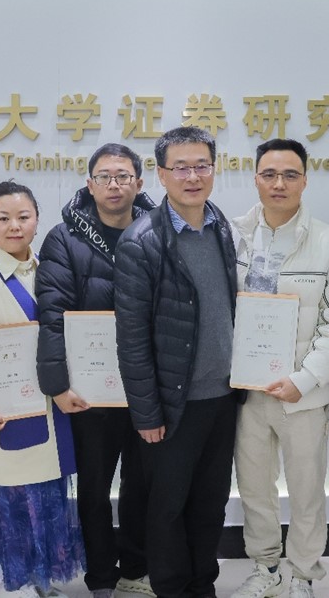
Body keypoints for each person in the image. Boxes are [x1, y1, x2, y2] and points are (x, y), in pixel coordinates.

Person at [114, 126, 238, 598]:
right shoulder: (140, 241)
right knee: (167, 508)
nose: (192, 176)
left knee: (210, 504)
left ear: (214, 169)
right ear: (161, 175)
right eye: (180, 167)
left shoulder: (220, 225)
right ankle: (171, 588)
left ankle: (202, 585)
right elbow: (131, 338)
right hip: (172, 403)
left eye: (201, 165)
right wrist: (146, 413)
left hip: (222, 398)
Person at [0, 181, 85, 598]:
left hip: (51, 411)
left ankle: (44, 581)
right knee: (13, 504)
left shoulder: (48, 270)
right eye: (3, 218)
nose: (14, 226)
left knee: (48, 500)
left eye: (23, 217)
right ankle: (18, 583)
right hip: (5, 416)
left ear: (37, 221)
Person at [229, 139, 329, 598]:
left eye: (290, 175)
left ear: (305, 180)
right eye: (269, 174)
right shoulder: (231, 236)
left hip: (303, 393)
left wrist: (303, 380)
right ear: (255, 178)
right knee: (254, 488)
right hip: (246, 392)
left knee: (306, 490)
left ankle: (302, 574)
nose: (278, 183)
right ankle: (266, 568)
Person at [36, 143, 156, 598]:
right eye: (104, 176)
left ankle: (136, 571)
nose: (114, 184)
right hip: (90, 393)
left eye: (123, 176)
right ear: (89, 184)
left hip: (145, 390)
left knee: (142, 486)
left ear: (139, 183)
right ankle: (101, 576)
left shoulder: (158, 233)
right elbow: (52, 314)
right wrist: (57, 384)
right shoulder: (63, 238)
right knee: (93, 489)